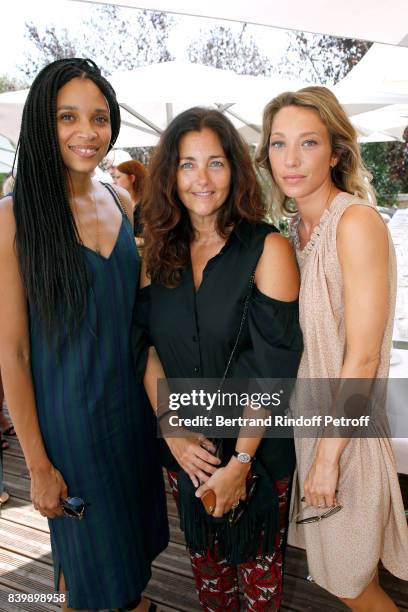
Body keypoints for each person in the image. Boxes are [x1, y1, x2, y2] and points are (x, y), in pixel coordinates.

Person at [0, 58, 168, 612]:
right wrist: (39, 467)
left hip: (133, 419)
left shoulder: (121, 201)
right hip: (72, 433)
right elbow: (14, 352)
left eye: (99, 118)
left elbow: (139, 321)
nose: (87, 132)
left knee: (131, 565)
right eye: (67, 117)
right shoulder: (13, 217)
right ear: (41, 125)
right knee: (96, 582)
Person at [133, 107, 303, 611]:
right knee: (209, 584)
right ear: (170, 173)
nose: (201, 179)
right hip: (187, 454)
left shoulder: (268, 247)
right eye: (187, 164)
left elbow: (276, 367)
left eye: (215, 163)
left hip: (255, 453)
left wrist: (241, 462)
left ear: (235, 169)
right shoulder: (158, 251)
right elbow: (147, 347)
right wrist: (174, 431)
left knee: (258, 589)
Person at [257, 86, 408, 612]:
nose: (291, 159)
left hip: (345, 436)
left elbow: (365, 357)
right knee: (341, 577)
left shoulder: (356, 222)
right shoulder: (295, 232)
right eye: (278, 144)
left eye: (308, 143)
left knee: (350, 582)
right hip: (312, 431)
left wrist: (327, 456)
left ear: (336, 152)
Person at [113, 160, 146, 246]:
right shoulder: (120, 202)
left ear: (132, 178)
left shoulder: (149, 204)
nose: (115, 181)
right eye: (114, 178)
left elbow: (156, 237)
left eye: (118, 177)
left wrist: (140, 241)